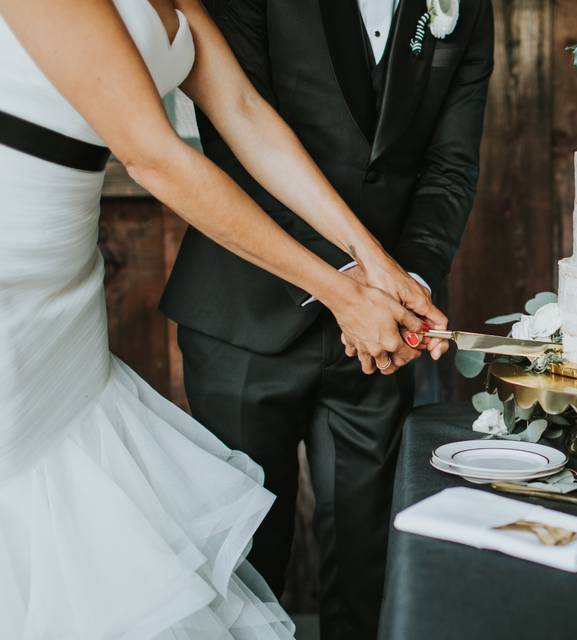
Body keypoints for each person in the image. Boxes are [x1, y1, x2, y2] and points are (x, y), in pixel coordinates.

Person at [0, 0, 444, 637]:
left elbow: (245, 115)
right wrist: (342, 294)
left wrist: (374, 264)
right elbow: (153, 156)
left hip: (65, 291)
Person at [160, 1, 494, 638]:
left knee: (368, 561)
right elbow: (235, 137)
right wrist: (350, 283)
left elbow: (450, 165)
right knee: (244, 565)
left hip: (384, 333)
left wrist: (409, 282)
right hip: (246, 316)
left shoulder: (466, 7)